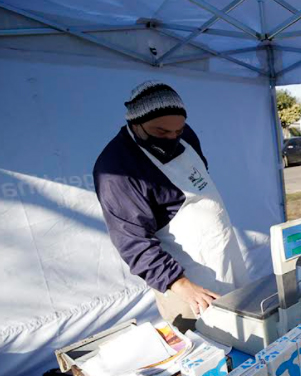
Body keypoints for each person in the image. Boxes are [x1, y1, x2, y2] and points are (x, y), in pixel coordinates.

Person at [93, 81, 250, 332]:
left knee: (245, 327)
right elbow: (132, 240)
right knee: (208, 345)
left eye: (177, 130)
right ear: (136, 123)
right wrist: (178, 282)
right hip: (184, 279)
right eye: (161, 132)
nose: (172, 137)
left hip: (222, 254)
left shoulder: (185, 135)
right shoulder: (117, 170)